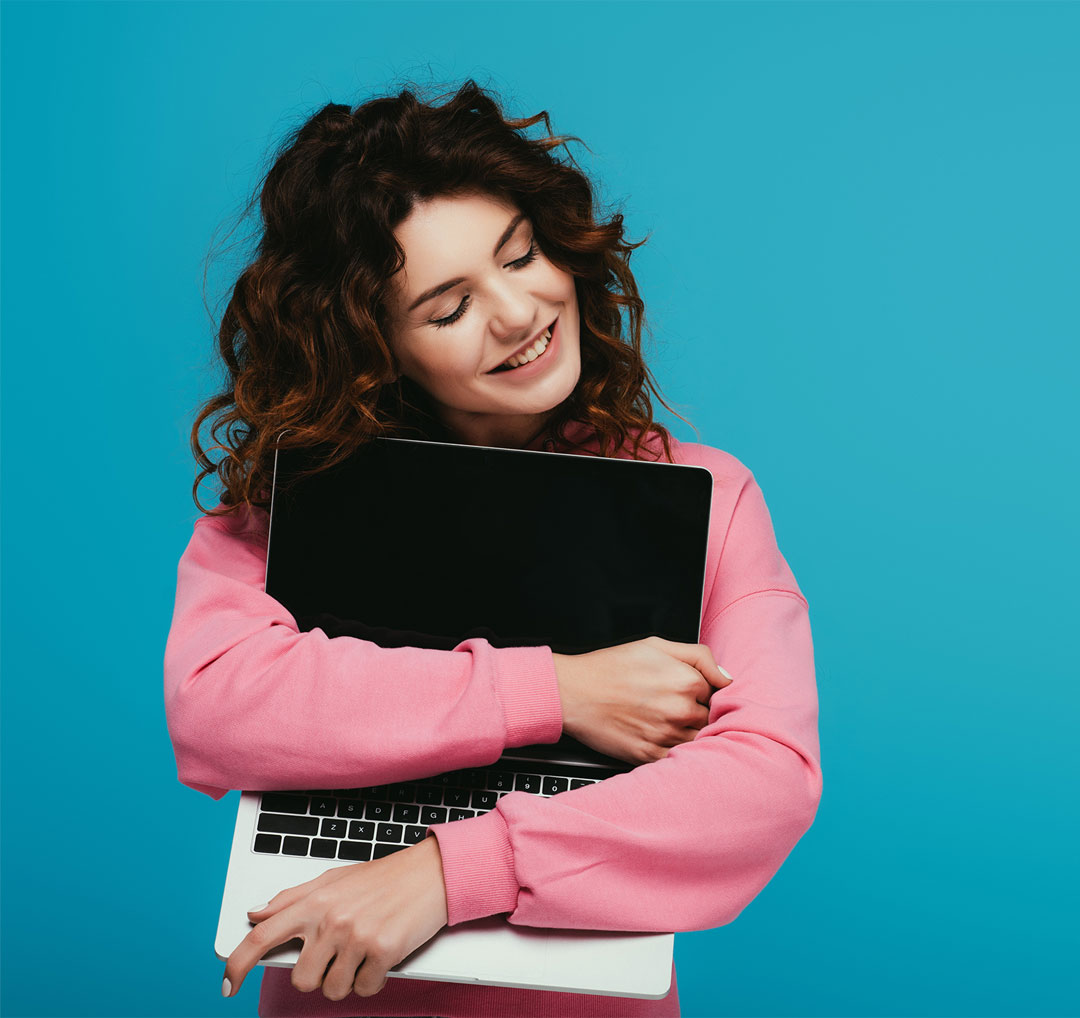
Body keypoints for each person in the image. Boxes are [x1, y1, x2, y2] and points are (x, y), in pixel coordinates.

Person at [163, 79, 821, 1018]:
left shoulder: (710, 495)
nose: (519, 313)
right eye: (447, 309)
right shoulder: (291, 505)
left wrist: (446, 873)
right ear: (374, 347)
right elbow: (217, 706)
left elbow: (765, 780)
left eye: (521, 255)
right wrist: (559, 691)